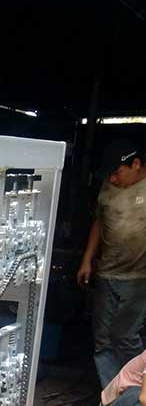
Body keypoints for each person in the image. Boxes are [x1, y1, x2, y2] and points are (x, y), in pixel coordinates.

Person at [77, 139, 146, 387]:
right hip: (107, 273)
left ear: (135, 164)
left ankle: (138, 393)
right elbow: (99, 223)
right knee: (103, 341)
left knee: (126, 336)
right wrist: (87, 260)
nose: (113, 179)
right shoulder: (108, 186)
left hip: (138, 278)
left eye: (118, 172)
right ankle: (111, 397)